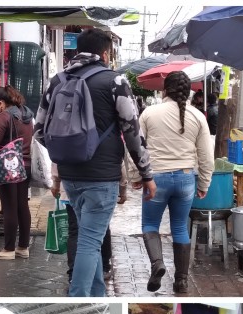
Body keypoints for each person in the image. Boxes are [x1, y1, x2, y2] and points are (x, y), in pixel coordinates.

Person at [33, 27, 154, 297]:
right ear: (105, 53)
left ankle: (98, 295)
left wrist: (66, 153)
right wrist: (146, 173)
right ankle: (77, 298)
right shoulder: (115, 81)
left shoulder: (57, 81)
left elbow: (39, 130)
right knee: (90, 240)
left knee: (92, 238)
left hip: (70, 176)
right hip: (102, 176)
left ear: (78, 49)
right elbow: (132, 132)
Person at [135, 71, 214, 293]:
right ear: (188, 91)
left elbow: (135, 146)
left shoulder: (149, 113)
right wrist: (204, 183)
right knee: (179, 227)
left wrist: (135, 176)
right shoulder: (198, 116)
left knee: (150, 225)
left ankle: (157, 263)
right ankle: (181, 281)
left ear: (164, 90)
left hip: (155, 179)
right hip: (185, 179)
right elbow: (206, 155)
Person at [0, 85, 34, 260]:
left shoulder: (5, 115)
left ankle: (8, 250)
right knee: (22, 205)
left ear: (0, 103)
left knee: (9, 207)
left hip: (8, 165)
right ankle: (23, 247)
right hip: (25, 165)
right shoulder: (27, 115)